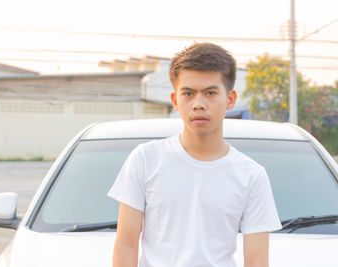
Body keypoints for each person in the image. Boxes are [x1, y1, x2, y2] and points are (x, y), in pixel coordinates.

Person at [107, 42, 282, 267]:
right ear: (175, 101)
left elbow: (257, 261)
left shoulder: (251, 175)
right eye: (188, 93)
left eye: (210, 93)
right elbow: (126, 244)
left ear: (230, 99)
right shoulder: (145, 159)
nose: (198, 104)